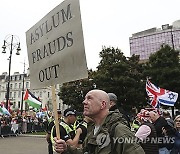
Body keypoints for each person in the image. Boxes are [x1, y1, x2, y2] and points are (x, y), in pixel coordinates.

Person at [54, 89, 145, 154]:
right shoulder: (92, 128)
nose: (84, 102)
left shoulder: (119, 130)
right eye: (85, 98)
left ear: (103, 104)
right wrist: (67, 149)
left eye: (89, 98)